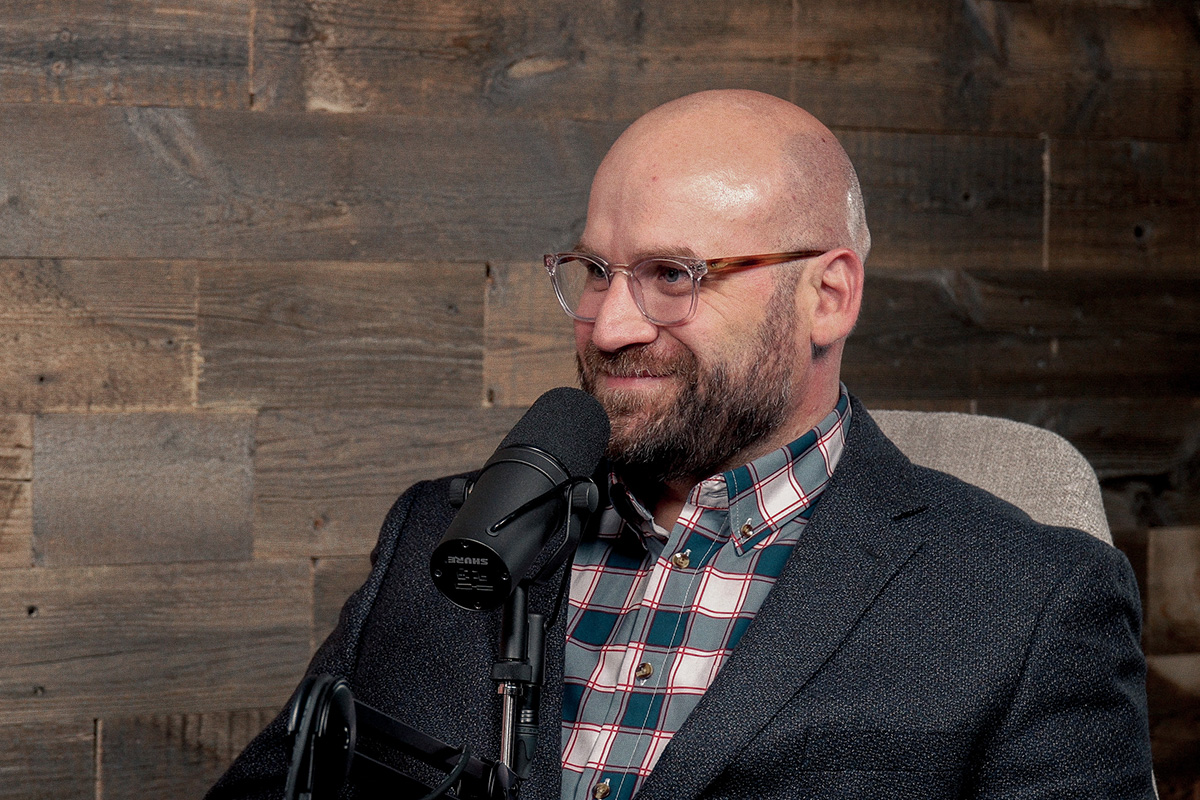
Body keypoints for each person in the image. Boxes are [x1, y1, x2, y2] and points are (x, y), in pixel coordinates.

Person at [209, 90, 1153, 799]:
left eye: (673, 275)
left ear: (828, 296)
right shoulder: (436, 534)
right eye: (593, 272)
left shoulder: (1029, 604)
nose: (610, 324)